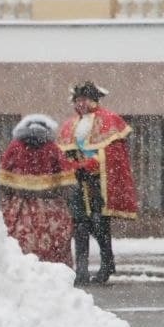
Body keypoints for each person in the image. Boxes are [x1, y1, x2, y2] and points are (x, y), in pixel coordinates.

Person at [56, 82, 138, 285]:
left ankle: (107, 263)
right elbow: (66, 151)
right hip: (78, 179)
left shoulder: (109, 120)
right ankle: (81, 269)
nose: (81, 104)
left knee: (100, 223)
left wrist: (91, 165)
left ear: (94, 99)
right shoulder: (70, 124)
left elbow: (112, 154)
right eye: (77, 100)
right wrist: (73, 166)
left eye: (84, 99)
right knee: (80, 224)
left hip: (99, 179)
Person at [0, 114, 77, 266]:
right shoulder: (53, 147)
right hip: (49, 203)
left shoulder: (15, 146)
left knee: (18, 234)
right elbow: (66, 177)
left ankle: (20, 265)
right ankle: (52, 266)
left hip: (20, 202)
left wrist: (6, 195)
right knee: (54, 236)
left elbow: (3, 176)